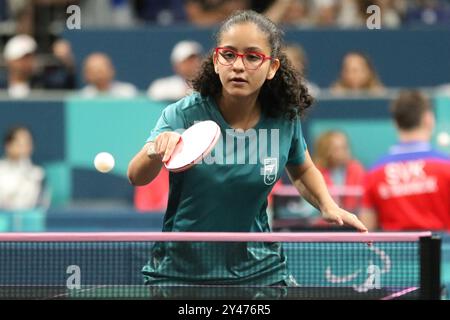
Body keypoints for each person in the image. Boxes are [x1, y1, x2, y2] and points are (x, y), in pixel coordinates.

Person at [128, 10, 367, 286]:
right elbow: (137, 176)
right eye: (229, 55)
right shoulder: (183, 114)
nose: (238, 66)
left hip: (259, 270)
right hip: (181, 272)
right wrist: (155, 151)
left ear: (272, 68)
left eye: (253, 57)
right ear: (217, 61)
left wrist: (328, 205)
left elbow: (301, 169)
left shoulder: (283, 118)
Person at [360, 90, 450, 231]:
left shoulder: (375, 172)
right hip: (443, 251)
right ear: (428, 119)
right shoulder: (446, 166)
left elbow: (366, 230)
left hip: (393, 252)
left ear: (395, 123)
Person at [313, 130, 365, 212]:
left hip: (352, 218)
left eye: (345, 147)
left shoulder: (357, 169)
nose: (344, 152)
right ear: (325, 151)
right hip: (324, 220)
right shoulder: (314, 173)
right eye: (337, 149)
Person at [0, 126, 45, 211]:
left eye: (27, 143)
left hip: (29, 220)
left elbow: (41, 204)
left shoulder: (38, 173)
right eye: (20, 143)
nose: (24, 148)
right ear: (8, 145)